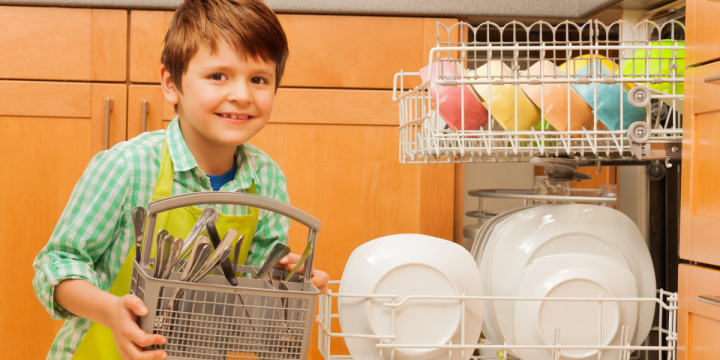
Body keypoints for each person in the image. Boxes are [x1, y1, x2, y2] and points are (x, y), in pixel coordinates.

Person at [32, 0, 329, 359]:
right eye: (218, 75)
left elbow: (252, 299)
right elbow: (57, 266)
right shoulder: (128, 167)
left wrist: (288, 286)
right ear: (171, 84)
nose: (242, 94)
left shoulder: (266, 180)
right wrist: (111, 311)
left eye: (259, 79)